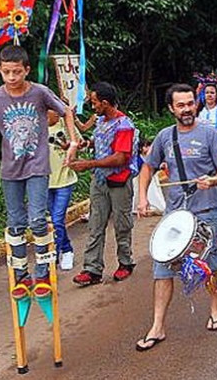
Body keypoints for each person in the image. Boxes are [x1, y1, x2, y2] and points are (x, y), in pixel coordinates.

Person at [0, 45, 79, 298]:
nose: (12, 78)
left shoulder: (39, 93)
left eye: (16, 72)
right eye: (6, 73)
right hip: (10, 170)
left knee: (37, 219)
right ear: (0, 71)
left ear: (26, 70)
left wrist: (74, 142)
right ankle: (22, 275)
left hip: (37, 166)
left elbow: (65, 111)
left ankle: (43, 272)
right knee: (15, 224)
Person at [135, 84, 217, 350]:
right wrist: (142, 197)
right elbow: (147, 168)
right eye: (181, 105)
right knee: (162, 269)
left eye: (190, 103)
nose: (187, 109)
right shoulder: (165, 137)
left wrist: (213, 181)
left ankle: (215, 309)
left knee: (211, 265)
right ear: (171, 108)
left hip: (207, 212)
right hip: (175, 216)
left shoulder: (210, 134)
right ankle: (157, 326)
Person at [69, 82, 138, 285]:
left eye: (95, 102)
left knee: (122, 224)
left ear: (105, 103)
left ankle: (125, 262)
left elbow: (120, 158)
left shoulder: (124, 126)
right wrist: (86, 144)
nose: (93, 106)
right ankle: (92, 269)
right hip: (100, 181)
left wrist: (88, 164)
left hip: (119, 181)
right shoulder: (101, 121)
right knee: (95, 225)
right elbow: (101, 143)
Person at [47, 109, 81, 270]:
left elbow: (80, 144)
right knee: (55, 220)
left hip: (65, 180)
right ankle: (67, 249)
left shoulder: (66, 125)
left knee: (57, 219)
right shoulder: (38, 127)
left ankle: (54, 255)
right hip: (45, 183)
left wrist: (71, 148)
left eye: (50, 111)